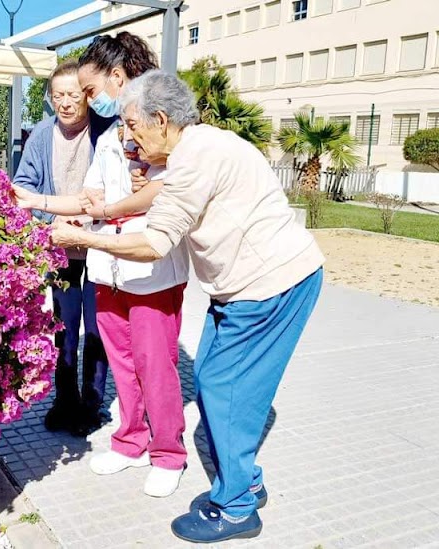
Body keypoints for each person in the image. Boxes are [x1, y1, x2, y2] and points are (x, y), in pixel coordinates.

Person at [50, 70, 325, 543]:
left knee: (223, 389)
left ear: (160, 119)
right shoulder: (200, 145)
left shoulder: (193, 161)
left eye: (133, 126)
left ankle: (237, 508)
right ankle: (246, 481)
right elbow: (158, 195)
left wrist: (81, 237)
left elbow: (156, 242)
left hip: (270, 286)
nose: (129, 137)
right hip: (242, 289)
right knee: (211, 381)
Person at [14, 32, 190, 499]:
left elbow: (159, 194)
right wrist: (38, 199)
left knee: (156, 365)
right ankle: (130, 440)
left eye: (89, 92)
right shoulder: (113, 136)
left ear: (116, 78)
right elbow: (90, 197)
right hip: (106, 269)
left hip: (150, 269)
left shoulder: (164, 131)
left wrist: (103, 215)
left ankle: (168, 453)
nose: (87, 102)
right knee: (121, 359)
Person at [13, 59, 113, 436]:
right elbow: (23, 186)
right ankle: (63, 400)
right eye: (58, 96)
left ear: (87, 96)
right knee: (64, 327)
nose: (66, 103)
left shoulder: (106, 131)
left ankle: (91, 404)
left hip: (100, 247)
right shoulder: (40, 135)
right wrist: (49, 222)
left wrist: (92, 221)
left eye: (73, 94)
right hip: (61, 249)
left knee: (98, 329)